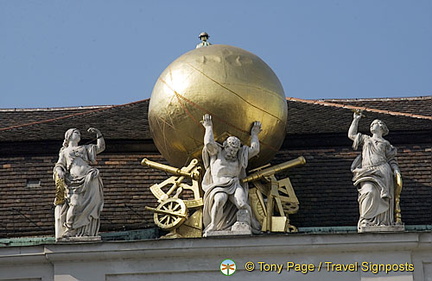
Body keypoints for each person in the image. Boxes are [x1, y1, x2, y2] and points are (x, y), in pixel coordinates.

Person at [201, 114, 261, 235]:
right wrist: (208, 127)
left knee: (242, 203)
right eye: (230, 150)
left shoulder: (240, 156)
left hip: (234, 184)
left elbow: (254, 150)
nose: (232, 153)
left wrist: (254, 134)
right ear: (225, 146)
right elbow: (208, 143)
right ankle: (213, 224)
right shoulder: (216, 153)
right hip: (218, 185)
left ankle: (252, 221)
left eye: (235, 151)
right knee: (219, 200)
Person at [348, 112, 402, 231]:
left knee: (382, 198)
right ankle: (366, 220)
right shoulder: (366, 139)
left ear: (382, 127)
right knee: (369, 192)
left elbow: (392, 159)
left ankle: (383, 222)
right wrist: (356, 120)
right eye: (371, 124)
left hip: (383, 171)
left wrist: (396, 170)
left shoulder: (386, 144)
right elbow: (351, 135)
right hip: (367, 171)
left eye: (375, 123)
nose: (372, 125)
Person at [53, 127, 105, 239]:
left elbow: (100, 147)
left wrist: (99, 135)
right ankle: (70, 228)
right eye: (76, 132)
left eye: (79, 133)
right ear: (69, 136)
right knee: (75, 204)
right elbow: (59, 165)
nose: (79, 134)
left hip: (89, 178)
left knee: (91, 204)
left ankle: (86, 231)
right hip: (74, 181)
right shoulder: (65, 151)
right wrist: (59, 171)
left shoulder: (85, 148)